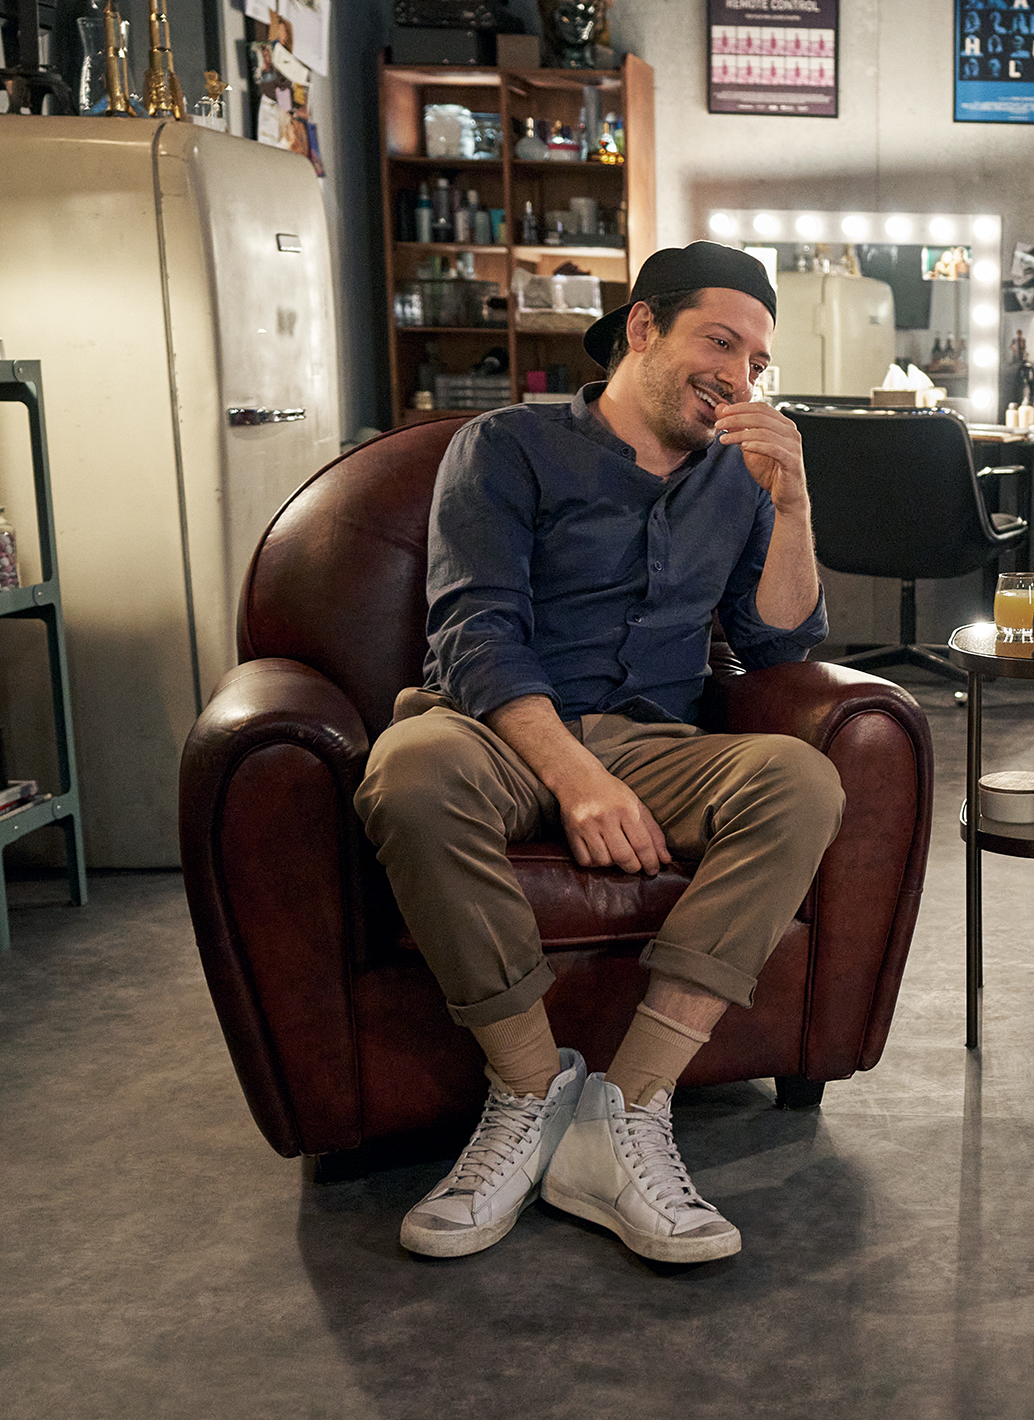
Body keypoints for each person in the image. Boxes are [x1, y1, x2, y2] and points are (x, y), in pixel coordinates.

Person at [355, 243, 842, 1268]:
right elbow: (475, 631)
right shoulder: (506, 445)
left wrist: (795, 504)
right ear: (642, 327)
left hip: (656, 739)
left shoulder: (738, 478)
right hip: (493, 727)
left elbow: (778, 645)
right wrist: (576, 776)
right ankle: (528, 1087)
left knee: (800, 779)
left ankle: (627, 1106)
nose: (737, 375)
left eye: (756, 361)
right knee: (410, 771)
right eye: (719, 341)